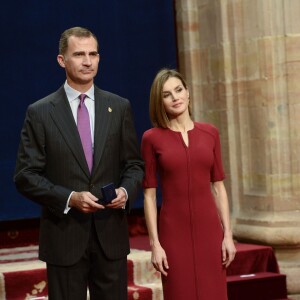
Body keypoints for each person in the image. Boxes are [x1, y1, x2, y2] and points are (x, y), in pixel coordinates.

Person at [14, 27, 144, 300]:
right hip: (64, 237)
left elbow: (133, 165)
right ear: (62, 60)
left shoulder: (119, 107)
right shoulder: (40, 113)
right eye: (79, 54)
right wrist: (70, 198)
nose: (87, 61)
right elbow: (26, 175)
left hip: (110, 236)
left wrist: (125, 191)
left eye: (93, 54)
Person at [141, 68, 236, 300]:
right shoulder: (151, 138)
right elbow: (149, 196)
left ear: (188, 92)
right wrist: (155, 244)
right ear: (159, 101)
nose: (175, 97)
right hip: (173, 232)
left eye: (179, 90)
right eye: (167, 94)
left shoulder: (210, 133)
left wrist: (228, 235)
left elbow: (219, 188)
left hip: (210, 231)